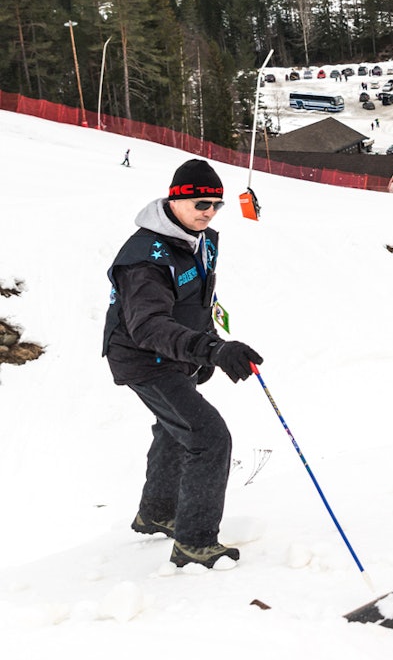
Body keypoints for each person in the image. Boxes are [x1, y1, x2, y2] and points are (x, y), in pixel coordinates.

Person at [103, 159, 263, 569]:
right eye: (200, 203)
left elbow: (198, 299)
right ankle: (194, 543)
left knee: (175, 430)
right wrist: (210, 350)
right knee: (209, 437)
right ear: (175, 200)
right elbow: (149, 327)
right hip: (145, 359)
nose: (208, 211)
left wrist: (206, 347)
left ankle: (157, 512)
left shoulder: (200, 237)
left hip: (175, 354)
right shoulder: (144, 259)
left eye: (216, 204)